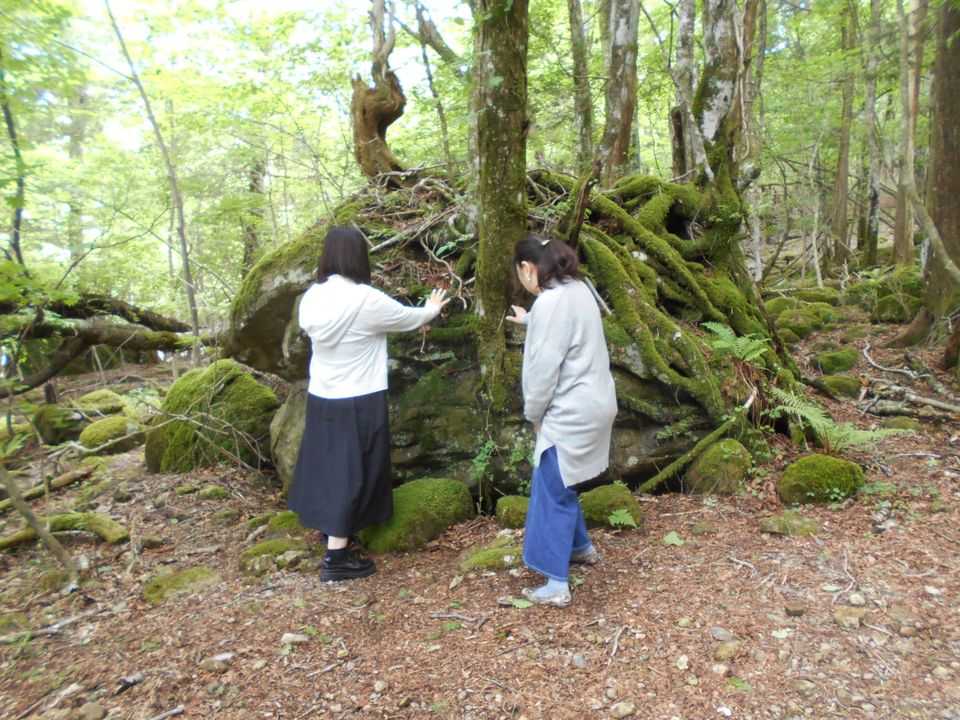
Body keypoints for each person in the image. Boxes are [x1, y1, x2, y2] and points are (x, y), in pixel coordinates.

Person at [288, 226, 449, 582]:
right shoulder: (367, 300)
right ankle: (336, 560)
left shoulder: (312, 298)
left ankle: (330, 530)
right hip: (359, 397)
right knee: (353, 471)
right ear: (359, 257)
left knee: (327, 467)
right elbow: (407, 319)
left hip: (323, 396)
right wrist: (432, 309)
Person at [506, 234, 617, 607]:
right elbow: (566, 327)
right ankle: (581, 547)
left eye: (520, 274)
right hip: (598, 402)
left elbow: (542, 373)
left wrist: (533, 415)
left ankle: (556, 583)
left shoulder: (552, 301)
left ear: (527, 268)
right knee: (563, 479)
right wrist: (530, 320)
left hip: (571, 410)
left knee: (551, 490)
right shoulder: (578, 288)